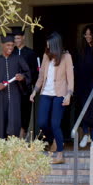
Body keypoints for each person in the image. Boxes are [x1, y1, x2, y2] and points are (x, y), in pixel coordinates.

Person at [30, 32, 74, 164]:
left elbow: (70, 77)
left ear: (55, 44)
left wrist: (69, 94)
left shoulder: (66, 57)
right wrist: (34, 92)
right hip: (46, 93)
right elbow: (41, 76)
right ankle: (53, 139)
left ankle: (60, 154)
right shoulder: (46, 56)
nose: (47, 46)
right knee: (42, 123)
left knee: (55, 124)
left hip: (59, 94)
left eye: (49, 43)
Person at [0, 34, 31, 140]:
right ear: (2, 45)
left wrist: (22, 77)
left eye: (12, 45)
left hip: (14, 98)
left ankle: (11, 151)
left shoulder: (18, 59)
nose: (10, 48)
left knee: (13, 125)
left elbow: (27, 75)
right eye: (8, 45)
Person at [10, 27, 39, 139]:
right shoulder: (11, 53)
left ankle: (23, 135)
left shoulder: (31, 53)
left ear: (23, 38)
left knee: (25, 113)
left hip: (26, 89)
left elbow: (35, 71)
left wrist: (25, 78)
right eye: (14, 38)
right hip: (13, 88)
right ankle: (15, 137)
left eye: (18, 38)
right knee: (13, 113)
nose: (16, 40)